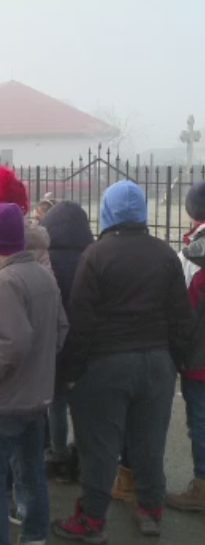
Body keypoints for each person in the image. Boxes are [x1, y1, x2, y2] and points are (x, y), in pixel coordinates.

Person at [53, 180, 193, 543]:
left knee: (99, 447)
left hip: (106, 364)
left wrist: (71, 371)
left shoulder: (96, 255)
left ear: (107, 211)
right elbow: (181, 317)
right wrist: (172, 359)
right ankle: (150, 510)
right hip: (157, 361)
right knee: (150, 443)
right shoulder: (164, 253)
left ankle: (92, 519)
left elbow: (81, 320)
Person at [0, 203, 68, 545]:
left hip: (3, 400)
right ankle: (35, 535)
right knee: (31, 472)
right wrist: (39, 365)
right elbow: (60, 328)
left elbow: (10, 342)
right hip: (35, 397)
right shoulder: (42, 274)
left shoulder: (5, 281)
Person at [42, 201, 94, 483]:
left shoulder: (46, 259)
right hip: (86, 340)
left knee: (56, 401)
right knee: (83, 403)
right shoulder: (92, 257)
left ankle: (58, 453)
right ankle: (84, 456)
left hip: (55, 339)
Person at [166, 180, 205, 511]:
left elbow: (181, 312)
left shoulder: (193, 257)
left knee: (201, 422)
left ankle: (202, 487)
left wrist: (175, 353)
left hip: (199, 357)